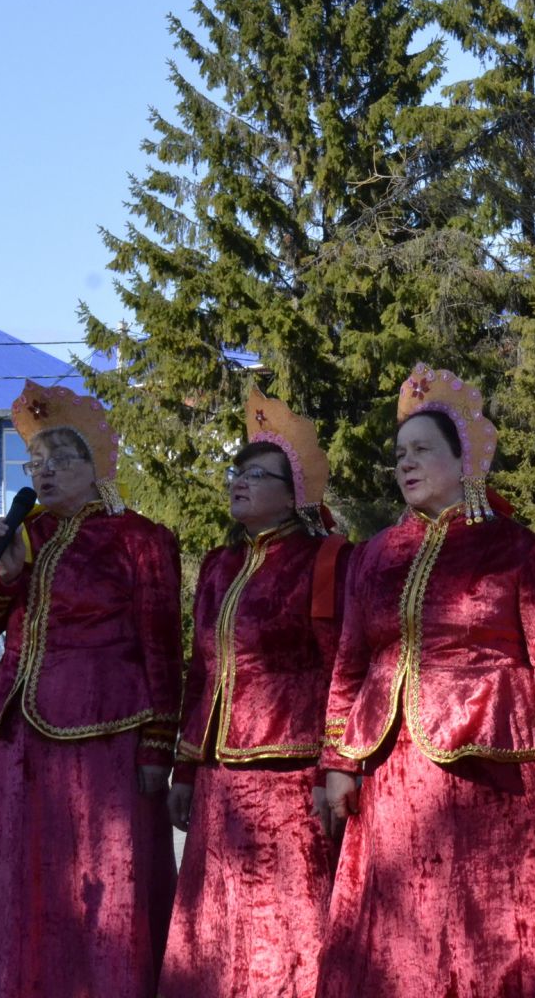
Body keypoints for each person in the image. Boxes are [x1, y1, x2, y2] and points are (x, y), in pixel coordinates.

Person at [315, 366, 535, 998]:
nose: (406, 464)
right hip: (385, 766)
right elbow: (350, 661)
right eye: (399, 455)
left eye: (423, 450)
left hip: (490, 769)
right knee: (394, 925)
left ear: (466, 461)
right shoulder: (374, 554)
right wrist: (337, 762)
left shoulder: (517, 547)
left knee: (483, 926)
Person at [0, 380, 183, 997]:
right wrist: (2, 575)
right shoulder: (26, 534)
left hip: (105, 734)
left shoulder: (140, 538)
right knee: (21, 875)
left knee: (99, 876)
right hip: (19, 733)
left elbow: (162, 645)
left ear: (96, 465)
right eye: (35, 463)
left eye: (60, 461)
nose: (45, 472)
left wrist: (159, 746)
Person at [163, 390, 353, 998]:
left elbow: (341, 669)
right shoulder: (220, 565)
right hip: (219, 777)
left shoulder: (325, 561)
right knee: (216, 929)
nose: (239, 483)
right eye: (235, 472)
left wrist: (333, 768)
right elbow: (201, 671)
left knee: (288, 926)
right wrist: (185, 770)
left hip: (292, 777)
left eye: (255, 474)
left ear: (293, 491)